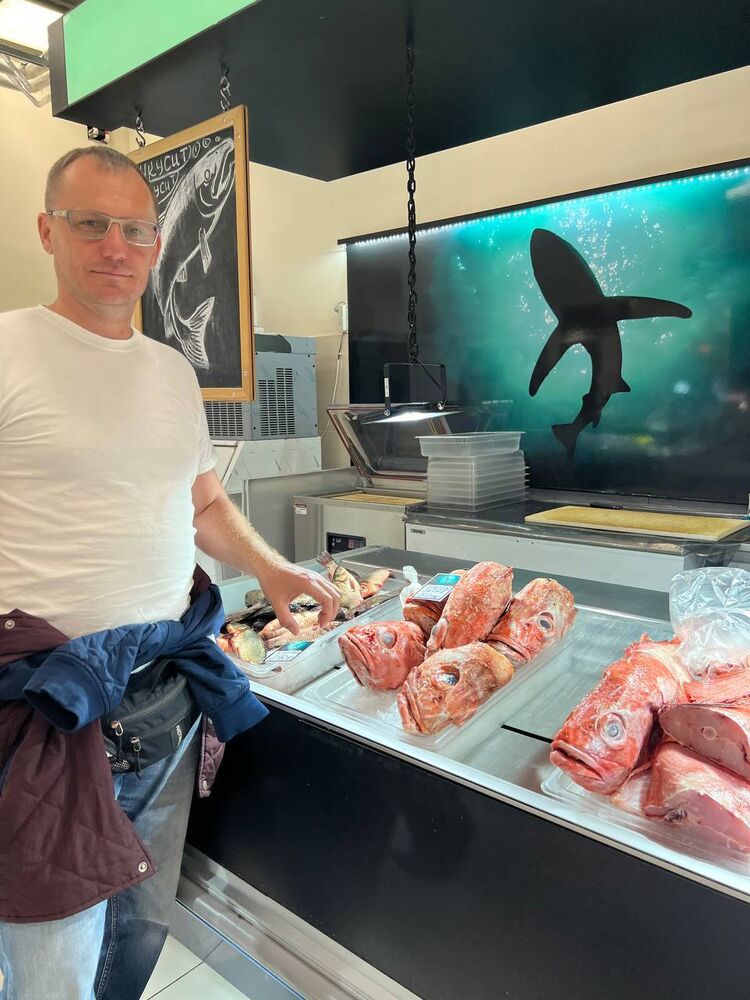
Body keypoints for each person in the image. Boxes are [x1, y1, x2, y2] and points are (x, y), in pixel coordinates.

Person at [0, 146, 341, 999]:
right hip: (46, 705)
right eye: (91, 223)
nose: (115, 246)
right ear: (47, 230)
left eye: (135, 230)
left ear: (158, 245)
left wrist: (270, 568)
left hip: (163, 695)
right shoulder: (7, 348)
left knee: (140, 927)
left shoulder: (171, 371)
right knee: (53, 962)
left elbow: (203, 502)